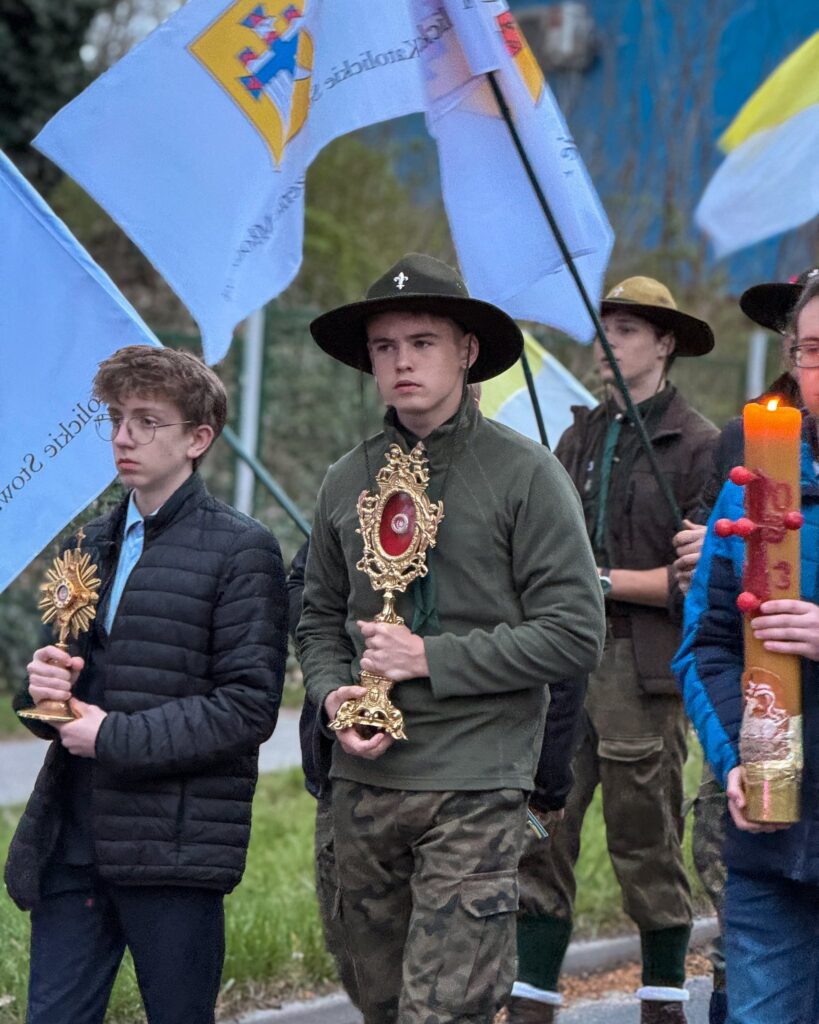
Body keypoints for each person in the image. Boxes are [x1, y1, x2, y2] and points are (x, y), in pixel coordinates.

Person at [296, 252, 605, 1024]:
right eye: (384, 347)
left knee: (445, 1010)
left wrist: (429, 658)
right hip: (362, 781)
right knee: (380, 1003)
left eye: (422, 343)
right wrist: (333, 696)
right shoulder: (345, 479)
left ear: (466, 351)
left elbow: (574, 634)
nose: (401, 362)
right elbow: (317, 615)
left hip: (476, 778)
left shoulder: (525, 475)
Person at [5, 345, 287, 1024]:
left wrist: (113, 736)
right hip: (73, 839)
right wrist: (40, 691)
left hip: (173, 848)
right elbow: (65, 690)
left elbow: (248, 707)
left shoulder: (241, 549)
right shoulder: (90, 541)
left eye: (147, 421)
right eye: (117, 419)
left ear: (198, 439)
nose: (124, 437)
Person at [510, 277, 719, 1024]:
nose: (607, 345)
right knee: (542, 826)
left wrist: (596, 580)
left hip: (643, 666)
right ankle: (532, 995)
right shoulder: (577, 437)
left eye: (626, 330)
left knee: (646, 837)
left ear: (665, 343)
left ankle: (662, 1000)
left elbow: (697, 580)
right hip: (563, 664)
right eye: (602, 330)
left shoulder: (699, 446)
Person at [673, 274, 819, 1024]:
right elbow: (706, 645)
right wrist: (738, 758)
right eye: (813, 350)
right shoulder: (756, 484)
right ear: (792, 359)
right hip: (773, 844)